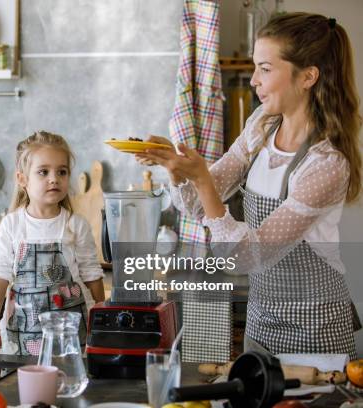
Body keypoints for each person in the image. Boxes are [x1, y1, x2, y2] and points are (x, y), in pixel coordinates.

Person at [136, 13, 361, 359]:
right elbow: (197, 206)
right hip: (261, 322)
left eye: (266, 69)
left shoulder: (326, 164)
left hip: (315, 330)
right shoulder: (262, 125)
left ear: (308, 76)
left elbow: (246, 257)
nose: (254, 80)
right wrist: (177, 166)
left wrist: (202, 178)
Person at [0, 131, 105, 357]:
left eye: (62, 172)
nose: (54, 178)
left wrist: (102, 318)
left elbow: (91, 275)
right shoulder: (12, 225)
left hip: (73, 331)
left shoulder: (76, 224)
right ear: (22, 179)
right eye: (43, 172)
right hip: (24, 331)